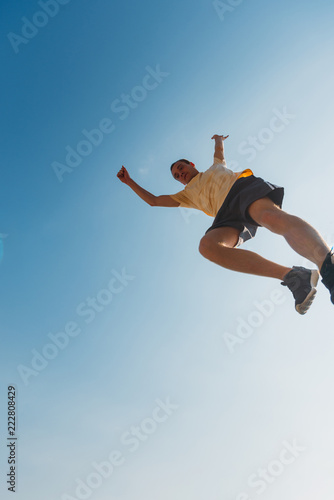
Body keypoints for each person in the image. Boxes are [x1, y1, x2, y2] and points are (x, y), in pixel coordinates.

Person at [117, 134, 334, 314]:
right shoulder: (185, 195)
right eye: (176, 175)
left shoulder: (215, 167)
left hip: (240, 190)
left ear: (191, 165)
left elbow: (219, 152)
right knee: (207, 247)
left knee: (270, 217)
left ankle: (327, 264)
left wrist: (218, 139)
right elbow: (154, 201)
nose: (180, 174)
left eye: (181, 168)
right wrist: (129, 182)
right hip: (225, 216)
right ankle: (293, 276)